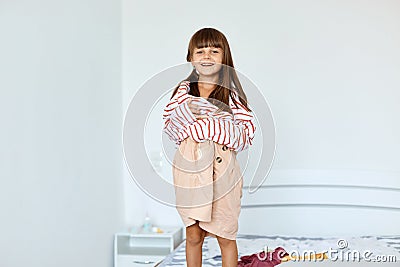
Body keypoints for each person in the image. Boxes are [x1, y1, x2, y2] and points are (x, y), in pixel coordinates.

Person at [162, 28, 256, 267]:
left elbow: (245, 135)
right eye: (200, 51)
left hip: (223, 173)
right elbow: (171, 127)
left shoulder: (232, 96)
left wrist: (215, 123)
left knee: (225, 233)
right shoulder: (183, 92)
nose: (207, 56)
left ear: (225, 57)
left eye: (215, 51)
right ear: (190, 57)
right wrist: (186, 113)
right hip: (190, 170)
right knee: (193, 235)